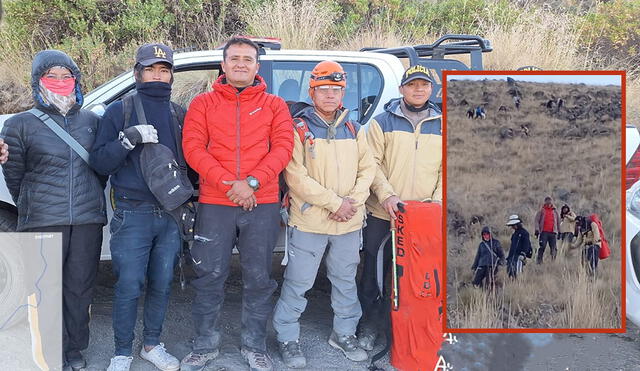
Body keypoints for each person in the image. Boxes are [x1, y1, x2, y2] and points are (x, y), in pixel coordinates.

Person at [179, 37, 294, 371]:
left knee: (259, 278)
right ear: (224, 64)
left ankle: (254, 345)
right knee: (208, 276)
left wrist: (253, 183)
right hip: (216, 203)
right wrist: (231, 184)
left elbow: (283, 147)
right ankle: (204, 345)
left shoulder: (275, 105)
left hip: (263, 202)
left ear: (257, 66)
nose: (241, 64)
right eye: (235, 58)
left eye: (248, 59)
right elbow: (193, 149)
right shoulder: (202, 104)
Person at [1, 49, 107, 371]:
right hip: (43, 219)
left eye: (67, 76)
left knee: (80, 288)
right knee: (44, 292)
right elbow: (15, 176)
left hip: (88, 219)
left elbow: (101, 169)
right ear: (38, 81)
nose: (60, 82)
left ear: (76, 81)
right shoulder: (20, 125)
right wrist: (36, 206)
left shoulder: (92, 122)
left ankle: (75, 350)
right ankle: (50, 352)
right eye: (52, 76)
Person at [272, 60, 375, 368]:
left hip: (348, 222)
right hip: (310, 221)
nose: (330, 95)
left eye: (336, 90)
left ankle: (343, 334)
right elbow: (295, 177)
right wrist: (335, 203)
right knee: (298, 282)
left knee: (345, 281)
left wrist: (352, 203)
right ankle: (287, 337)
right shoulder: (299, 128)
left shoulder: (354, 128)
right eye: (323, 90)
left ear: (343, 93)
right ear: (312, 92)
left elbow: (368, 169)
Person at [90, 43, 183, 371]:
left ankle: (152, 345)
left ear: (171, 75)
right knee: (129, 284)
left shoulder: (178, 113)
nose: (157, 75)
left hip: (171, 215)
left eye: (163, 70)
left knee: (162, 281)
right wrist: (127, 138)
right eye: (150, 69)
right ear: (137, 73)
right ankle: (121, 352)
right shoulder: (120, 111)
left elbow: (190, 166)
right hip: (132, 214)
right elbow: (99, 162)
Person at [357, 64, 442, 351]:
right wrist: (387, 196)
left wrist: (436, 203)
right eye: (412, 84)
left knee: (417, 277)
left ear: (433, 89)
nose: (418, 89)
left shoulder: (444, 124)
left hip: (424, 217)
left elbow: (448, 167)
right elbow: (372, 164)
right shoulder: (382, 122)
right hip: (384, 212)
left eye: (424, 85)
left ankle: (405, 329)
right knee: (374, 272)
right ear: (402, 89)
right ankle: (370, 324)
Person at [534, 196, 560, 264]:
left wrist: (559, 231)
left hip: (553, 232)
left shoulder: (555, 211)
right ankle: (539, 261)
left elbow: (558, 222)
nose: (549, 204)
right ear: (545, 202)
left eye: (550, 202)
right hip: (544, 232)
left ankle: (553, 262)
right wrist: (537, 229)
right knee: (542, 246)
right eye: (547, 202)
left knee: (554, 248)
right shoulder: (541, 210)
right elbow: (536, 220)